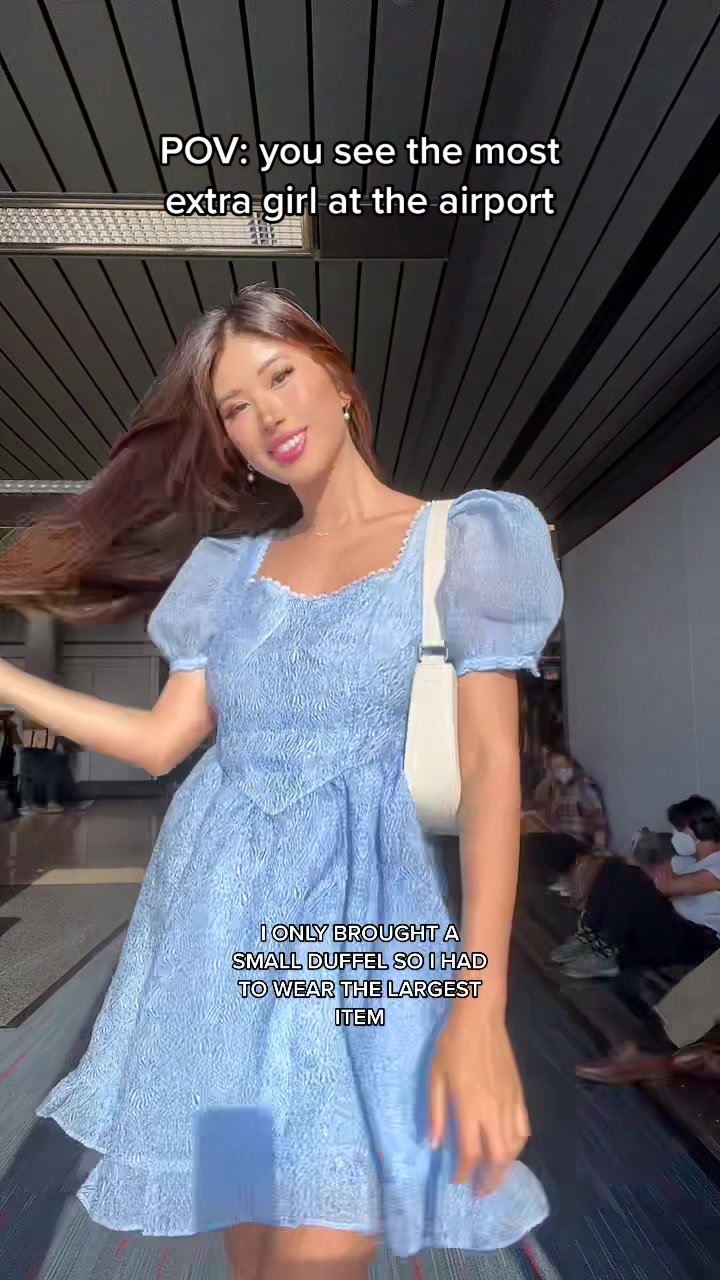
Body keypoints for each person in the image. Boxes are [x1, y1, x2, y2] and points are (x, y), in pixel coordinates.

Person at [0, 285, 563, 1279]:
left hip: (364, 944)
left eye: (280, 377)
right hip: (212, 945)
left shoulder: (463, 538)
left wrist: (479, 1011)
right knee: (250, 1243)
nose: (266, 416)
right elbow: (162, 742)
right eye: (235, 408)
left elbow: (488, 774)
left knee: (321, 1251)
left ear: (338, 380)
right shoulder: (227, 570)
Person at [551, 795, 720, 979]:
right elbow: (656, 877)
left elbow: (667, 887)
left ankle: (606, 952)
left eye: (679, 829)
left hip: (696, 941)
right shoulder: (685, 861)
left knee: (632, 878)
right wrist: (639, 865)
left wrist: (649, 872)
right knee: (614, 867)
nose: (675, 835)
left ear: (699, 828)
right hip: (669, 926)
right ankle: (590, 935)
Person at [523, 744, 609, 895]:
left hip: (577, 844)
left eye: (562, 766)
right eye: (555, 768)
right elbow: (539, 802)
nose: (560, 771)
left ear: (571, 763)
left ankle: (554, 883)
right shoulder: (560, 789)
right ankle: (547, 885)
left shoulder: (583, 786)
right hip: (561, 840)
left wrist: (598, 851)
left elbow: (599, 822)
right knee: (528, 844)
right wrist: (549, 777)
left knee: (546, 845)